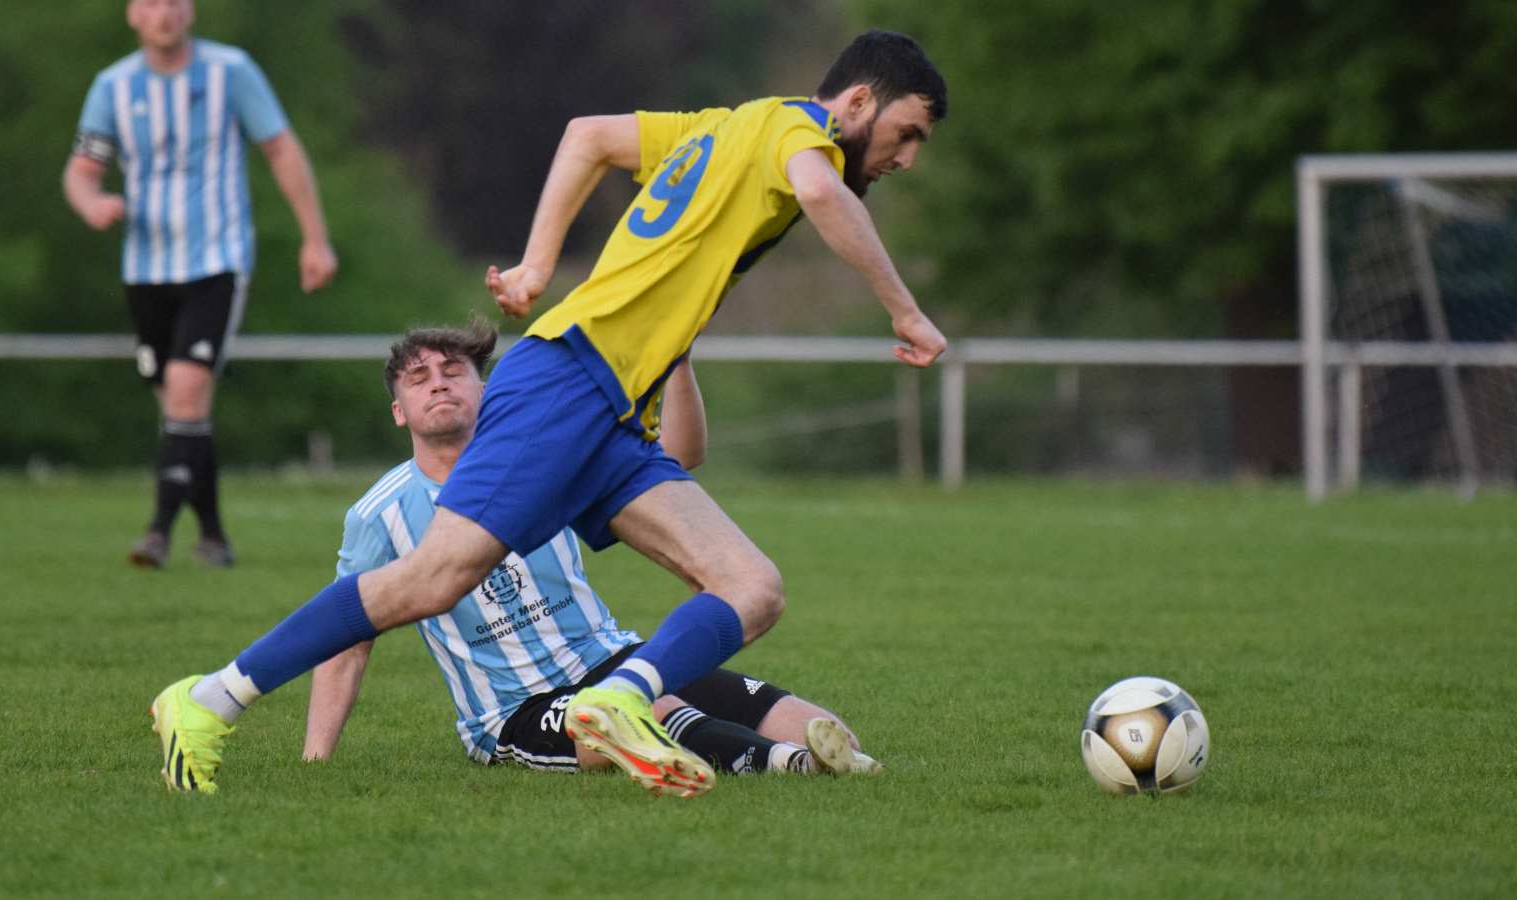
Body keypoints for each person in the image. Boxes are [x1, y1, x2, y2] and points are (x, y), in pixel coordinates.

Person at [151, 29, 946, 796]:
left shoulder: (722, 129)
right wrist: (905, 312)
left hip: (612, 411)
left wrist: (537, 263)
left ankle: (622, 694)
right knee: (432, 579)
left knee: (752, 586)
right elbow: (817, 186)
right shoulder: (793, 133)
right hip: (567, 377)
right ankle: (210, 699)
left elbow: (587, 137)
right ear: (856, 101)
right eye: (906, 133)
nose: (907, 158)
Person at [301, 325, 882, 792]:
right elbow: (350, 637)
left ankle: (812, 757)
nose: (439, 384)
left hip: (616, 660)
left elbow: (682, 455)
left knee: (834, 734)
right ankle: (790, 767)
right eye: (419, 378)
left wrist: (677, 360)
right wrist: (315, 764)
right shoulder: (380, 514)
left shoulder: (546, 466)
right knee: (644, 709)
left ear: (486, 392)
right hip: (515, 711)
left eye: (455, 372)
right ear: (399, 410)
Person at [63, 0, 338, 569]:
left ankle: (157, 531)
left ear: (191, 11)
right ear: (131, 14)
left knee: (186, 392)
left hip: (217, 260)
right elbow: (83, 168)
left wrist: (315, 238)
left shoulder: (230, 72)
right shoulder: (112, 85)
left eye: (174, 1)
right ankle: (213, 535)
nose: (163, 12)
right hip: (144, 267)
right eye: (151, 2)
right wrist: (91, 203)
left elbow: (280, 148)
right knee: (181, 409)